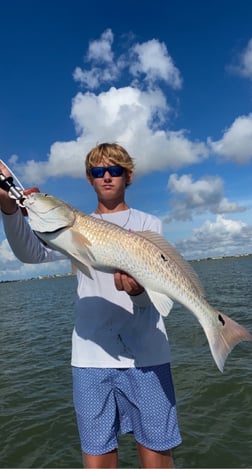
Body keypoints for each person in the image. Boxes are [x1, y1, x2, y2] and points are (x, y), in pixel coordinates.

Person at [0, 143, 182, 468]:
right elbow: (31, 253)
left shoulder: (149, 224)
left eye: (115, 170)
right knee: (97, 460)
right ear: (89, 178)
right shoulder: (69, 226)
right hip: (89, 358)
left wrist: (138, 293)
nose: (107, 177)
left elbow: (151, 293)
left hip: (148, 355)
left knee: (157, 458)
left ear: (129, 176)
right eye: (98, 172)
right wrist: (11, 210)